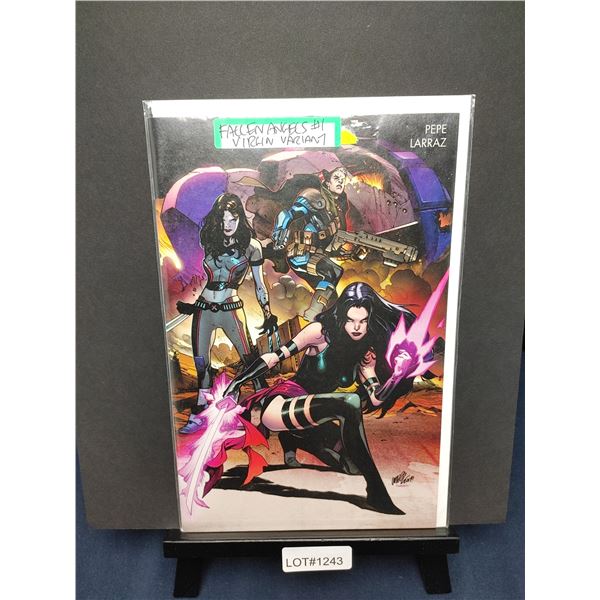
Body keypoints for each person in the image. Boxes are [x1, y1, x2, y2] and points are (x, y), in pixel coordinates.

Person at [224, 282, 417, 515]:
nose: (357, 327)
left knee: (352, 466)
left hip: (316, 415)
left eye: (363, 321)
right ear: (341, 317)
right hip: (283, 403)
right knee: (349, 403)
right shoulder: (319, 332)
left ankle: (299, 439)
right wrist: (237, 382)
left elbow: (376, 398)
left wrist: (397, 376)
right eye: (350, 320)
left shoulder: (364, 354)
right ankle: (376, 491)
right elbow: (273, 357)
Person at [176, 193, 278, 434]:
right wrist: (192, 305)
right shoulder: (210, 241)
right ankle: (200, 414)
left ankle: (265, 413)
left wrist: (268, 314)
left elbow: (260, 285)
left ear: (240, 218)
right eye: (223, 219)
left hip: (231, 309)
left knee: (251, 364)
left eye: (232, 219)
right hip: (204, 309)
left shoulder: (251, 247)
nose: (227, 225)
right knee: (201, 365)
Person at [271, 167, 361, 320]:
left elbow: (327, 242)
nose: (340, 181)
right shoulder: (314, 197)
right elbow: (287, 214)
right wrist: (280, 230)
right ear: (327, 181)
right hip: (302, 254)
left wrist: (347, 254)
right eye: (336, 177)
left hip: (315, 254)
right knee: (333, 272)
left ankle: (326, 320)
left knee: (331, 296)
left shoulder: (336, 209)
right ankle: (312, 314)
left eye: (343, 179)